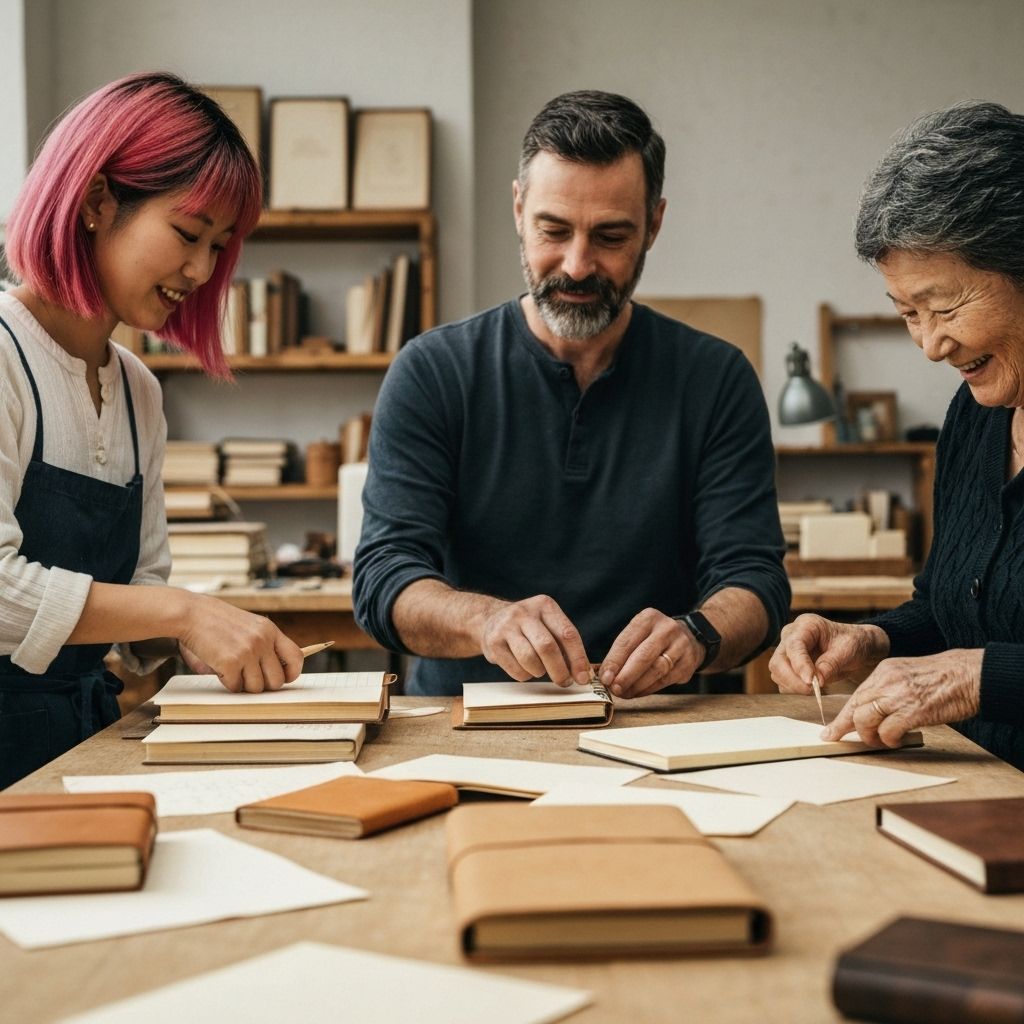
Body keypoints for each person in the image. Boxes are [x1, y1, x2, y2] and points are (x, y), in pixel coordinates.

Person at [354, 90, 789, 697]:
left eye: (611, 237)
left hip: (659, 730)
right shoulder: (433, 371)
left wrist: (698, 635)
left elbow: (755, 580)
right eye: (553, 230)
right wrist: (487, 622)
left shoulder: (716, 380)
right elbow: (383, 579)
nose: (578, 265)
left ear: (654, 224)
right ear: (517, 208)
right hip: (468, 722)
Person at [0, 72, 304, 789]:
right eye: (189, 234)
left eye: (220, 246)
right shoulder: (5, 357)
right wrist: (185, 613)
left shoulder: (139, 389)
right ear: (98, 201)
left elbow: (139, 589)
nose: (202, 270)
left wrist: (197, 636)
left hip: (80, 744)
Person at [770, 101, 1024, 771]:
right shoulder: (975, 417)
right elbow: (955, 610)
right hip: (977, 799)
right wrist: (874, 640)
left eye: (943, 308)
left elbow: (979, 658)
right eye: (908, 313)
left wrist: (977, 678)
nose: (931, 345)